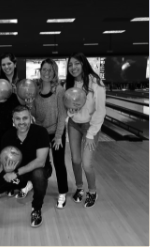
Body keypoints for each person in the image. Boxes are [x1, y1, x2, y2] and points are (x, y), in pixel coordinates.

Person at [0, 105, 52, 227]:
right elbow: (5, 160)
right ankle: (24, 184)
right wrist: (8, 171)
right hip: (18, 171)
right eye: (18, 119)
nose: (21, 122)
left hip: (40, 169)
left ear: (30, 118)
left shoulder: (40, 132)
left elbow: (40, 161)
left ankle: (36, 209)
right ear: (13, 120)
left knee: (38, 175)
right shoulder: (7, 136)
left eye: (25, 118)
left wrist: (15, 174)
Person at [66, 52, 106, 208]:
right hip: (74, 124)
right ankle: (80, 188)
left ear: (83, 64)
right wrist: (71, 112)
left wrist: (91, 133)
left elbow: (100, 110)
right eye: (70, 65)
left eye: (76, 63)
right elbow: (68, 107)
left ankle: (92, 191)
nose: (73, 67)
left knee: (87, 164)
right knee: (75, 160)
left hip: (91, 126)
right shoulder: (69, 84)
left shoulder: (96, 82)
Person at [0, 53, 28, 199]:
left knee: (10, 158)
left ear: (15, 64)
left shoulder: (20, 83)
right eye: (3, 64)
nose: (6, 67)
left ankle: (9, 184)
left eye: (9, 63)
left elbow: (23, 106)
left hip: (12, 127)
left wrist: (20, 96)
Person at [30, 58, 68, 209]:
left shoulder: (59, 90)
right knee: (41, 163)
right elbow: (34, 112)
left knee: (59, 163)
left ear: (54, 72)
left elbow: (62, 115)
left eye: (50, 70)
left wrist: (58, 137)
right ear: (40, 71)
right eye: (44, 69)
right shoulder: (35, 89)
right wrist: (28, 104)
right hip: (40, 132)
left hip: (55, 132)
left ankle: (63, 192)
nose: (46, 73)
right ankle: (38, 185)